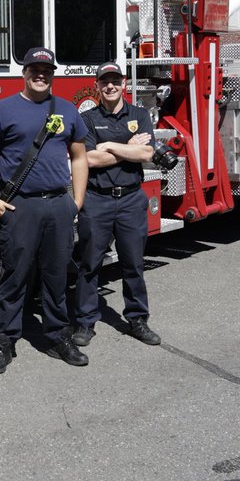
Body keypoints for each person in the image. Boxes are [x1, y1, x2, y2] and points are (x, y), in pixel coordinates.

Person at [0, 47, 89, 373]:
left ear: (53, 74)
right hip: (19, 207)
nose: (40, 75)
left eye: (46, 70)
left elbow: (80, 157)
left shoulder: (67, 110)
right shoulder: (2, 111)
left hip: (58, 206)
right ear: (23, 72)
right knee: (14, 278)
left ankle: (57, 336)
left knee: (56, 276)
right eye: (34, 69)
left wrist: (76, 201)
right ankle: (3, 343)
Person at [71, 62, 162, 348]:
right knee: (89, 264)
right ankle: (85, 322)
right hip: (96, 200)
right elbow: (89, 159)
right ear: (97, 86)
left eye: (115, 80)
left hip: (131, 199)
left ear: (123, 83)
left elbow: (147, 152)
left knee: (133, 263)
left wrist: (108, 145)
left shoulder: (139, 114)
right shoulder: (86, 119)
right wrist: (127, 146)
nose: (110, 86)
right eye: (104, 81)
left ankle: (137, 319)